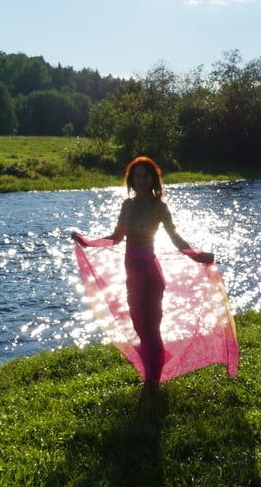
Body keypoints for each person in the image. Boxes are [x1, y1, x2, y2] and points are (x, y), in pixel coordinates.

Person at [72, 156, 213, 384]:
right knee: (138, 325)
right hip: (132, 277)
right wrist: (88, 242)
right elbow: (116, 237)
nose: (141, 180)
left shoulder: (159, 207)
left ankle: (152, 384)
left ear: (153, 179)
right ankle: (154, 370)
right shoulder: (127, 205)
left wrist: (197, 256)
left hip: (150, 276)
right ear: (132, 179)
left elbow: (175, 238)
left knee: (151, 327)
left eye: (146, 176)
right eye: (137, 176)